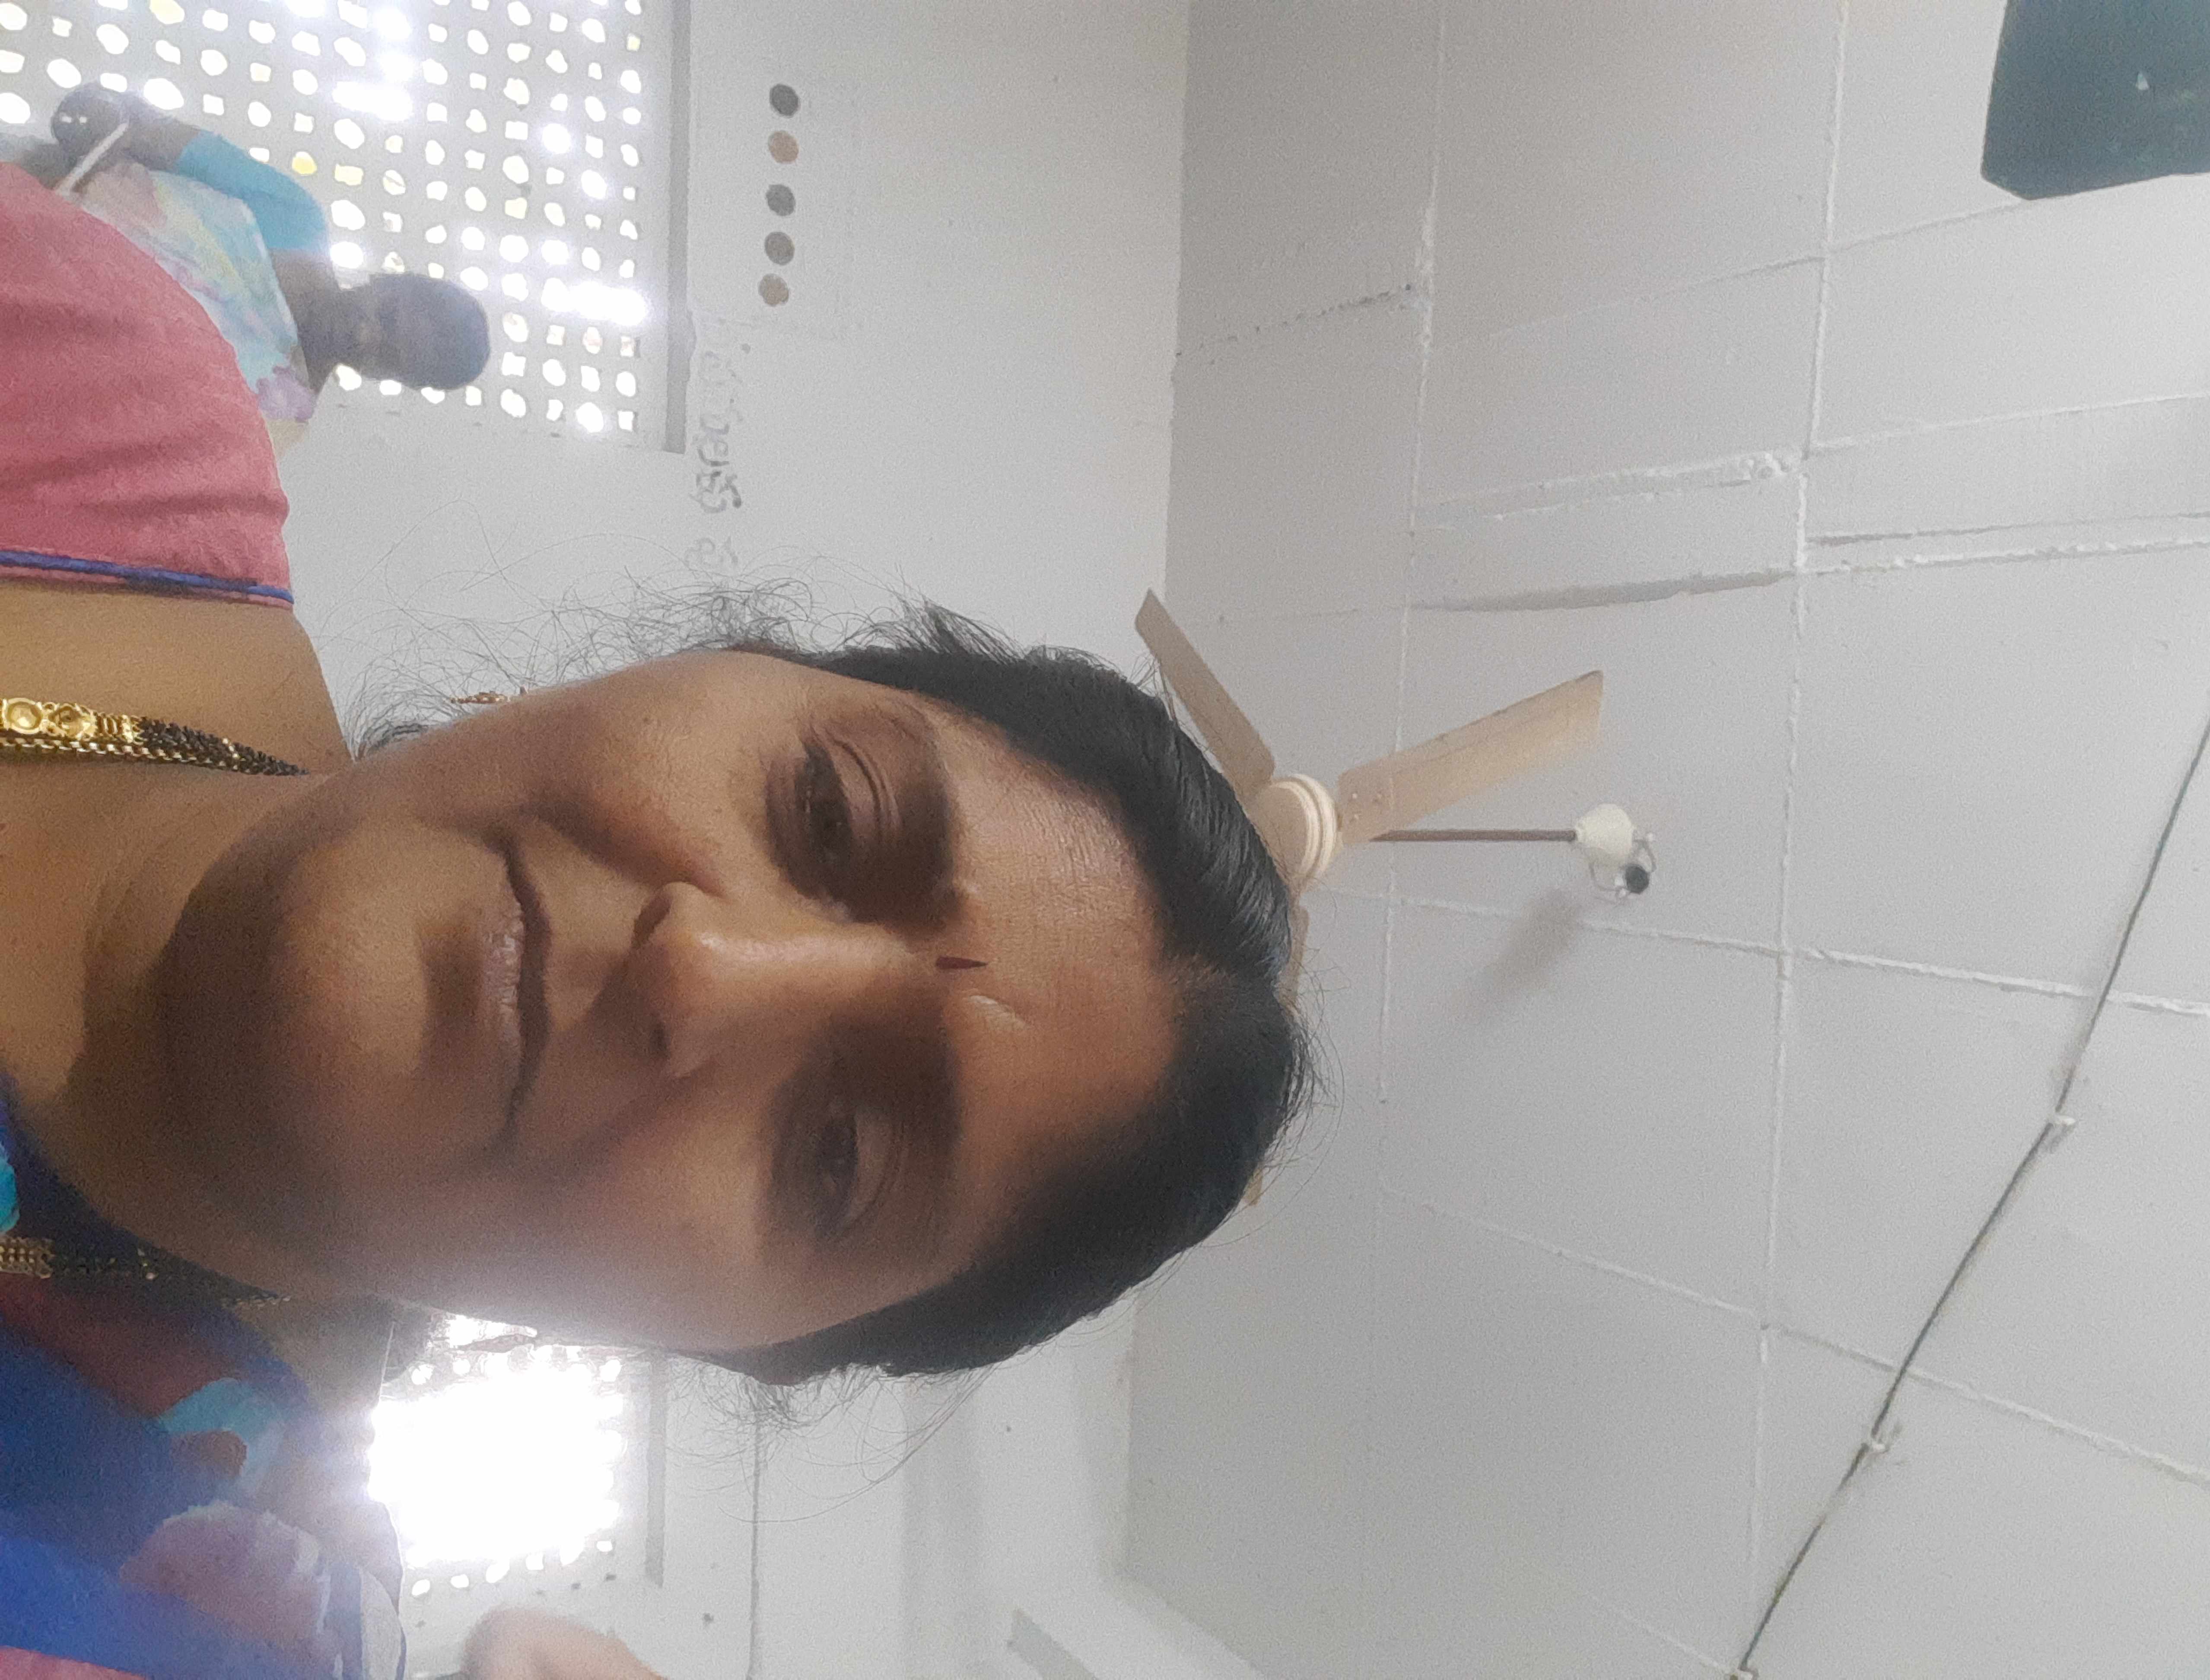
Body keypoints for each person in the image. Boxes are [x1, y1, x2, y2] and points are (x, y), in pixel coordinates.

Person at [0, 135, 1303, 1680]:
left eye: (838, 1155)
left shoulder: (187, 1618)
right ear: (694, 663)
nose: (704, 966)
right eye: (826, 814)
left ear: (735, 1349)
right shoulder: (81, 379)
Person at [9, 89, 489, 454]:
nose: (365, 336)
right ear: (389, 278)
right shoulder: (292, 217)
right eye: (386, 316)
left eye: (388, 355)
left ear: (396, 380)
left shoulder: (273, 417)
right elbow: (130, 119)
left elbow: (102, 430)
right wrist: (96, 165)